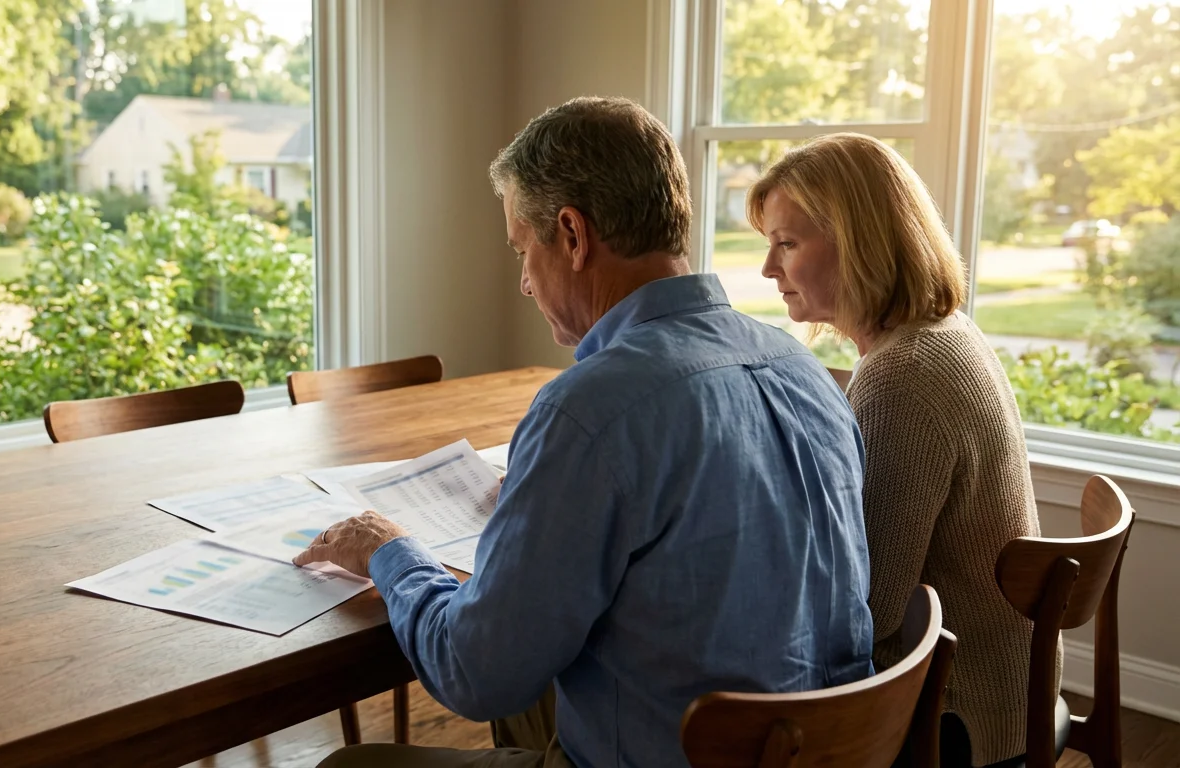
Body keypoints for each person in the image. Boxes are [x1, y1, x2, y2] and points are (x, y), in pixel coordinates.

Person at [296, 97, 873, 768]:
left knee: (350, 764)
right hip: (823, 751)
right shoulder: (805, 370)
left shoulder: (589, 411)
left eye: (522, 249)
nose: (522, 282)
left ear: (571, 235)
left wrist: (386, 552)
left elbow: (473, 674)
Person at [748, 132, 1053, 767]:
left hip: (957, 710)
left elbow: (869, 609)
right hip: (1002, 684)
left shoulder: (902, 372)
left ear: (858, 243)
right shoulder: (944, 333)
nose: (768, 269)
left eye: (787, 243)